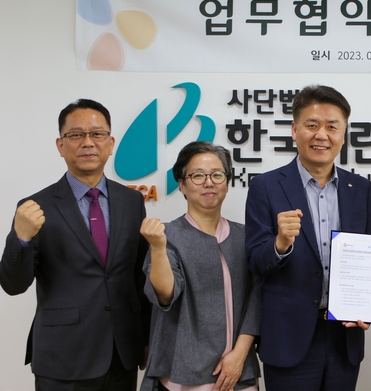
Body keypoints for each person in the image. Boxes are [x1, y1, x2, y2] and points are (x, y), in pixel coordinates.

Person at [0, 99, 150, 390]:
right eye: (76, 134)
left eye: (97, 134)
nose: (88, 142)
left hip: (121, 353)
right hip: (62, 357)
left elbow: (139, 277)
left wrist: (145, 337)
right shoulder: (35, 206)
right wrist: (22, 238)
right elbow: (13, 285)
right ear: (60, 145)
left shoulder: (132, 201)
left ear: (111, 143)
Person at [245, 84, 371, 391]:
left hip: (344, 336)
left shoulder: (360, 188)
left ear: (343, 134)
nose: (322, 135)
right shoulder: (266, 186)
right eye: (312, 125)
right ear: (295, 130)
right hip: (288, 339)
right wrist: (280, 244)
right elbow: (254, 261)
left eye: (332, 127)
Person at [139, 141, 261, 391]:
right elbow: (165, 294)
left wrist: (239, 354)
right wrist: (158, 248)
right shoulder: (167, 235)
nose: (209, 182)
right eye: (198, 176)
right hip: (183, 373)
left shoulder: (246, 237)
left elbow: (257, 299)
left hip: (237, 371)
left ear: (227, 182)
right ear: (182, 185)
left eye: (217, 175)